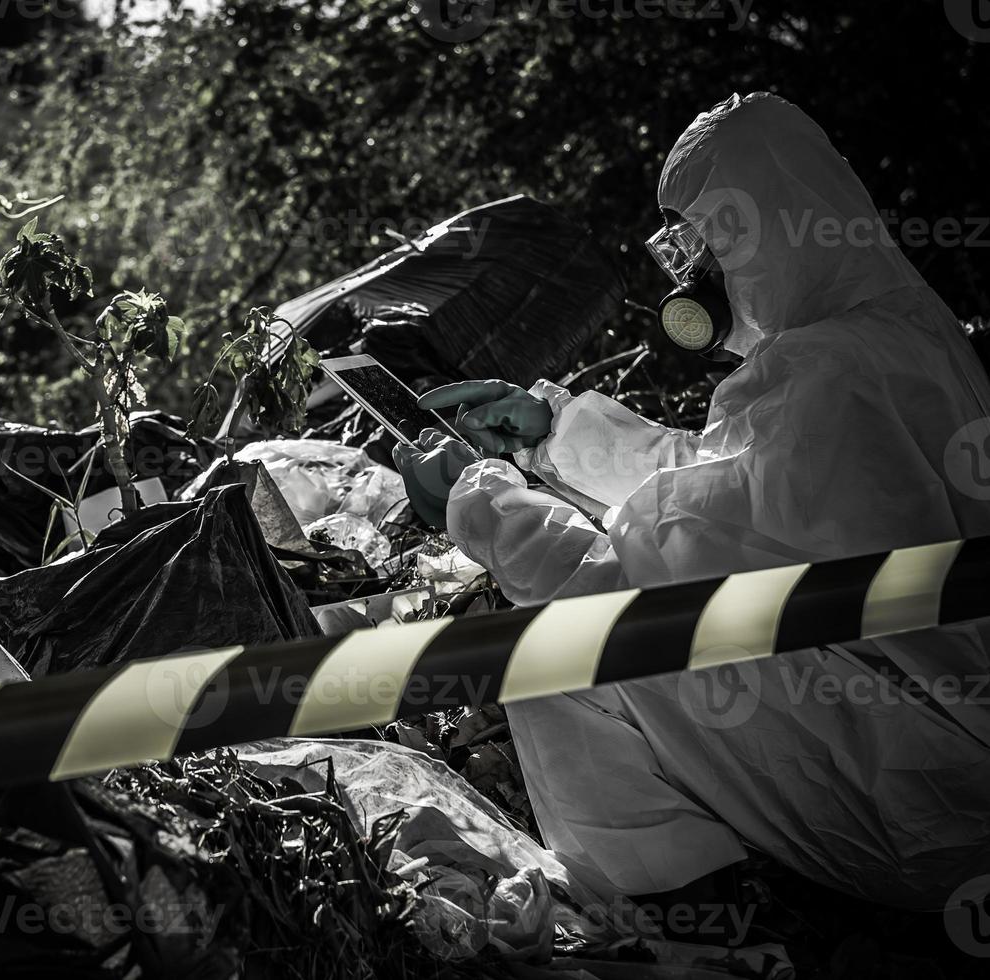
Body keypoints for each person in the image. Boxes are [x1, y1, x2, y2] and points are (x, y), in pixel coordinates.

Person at [392, 93, 990, 910]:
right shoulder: (893, 333)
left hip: (927, 806)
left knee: (539, 648)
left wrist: (478, 504)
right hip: (939, 755)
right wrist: (551, 433)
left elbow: (644, 575)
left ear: (759, 230)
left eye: (704, 242)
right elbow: (720, 485)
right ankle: (710, 883)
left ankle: (672, 917)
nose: (693, 271)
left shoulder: (828, 374)